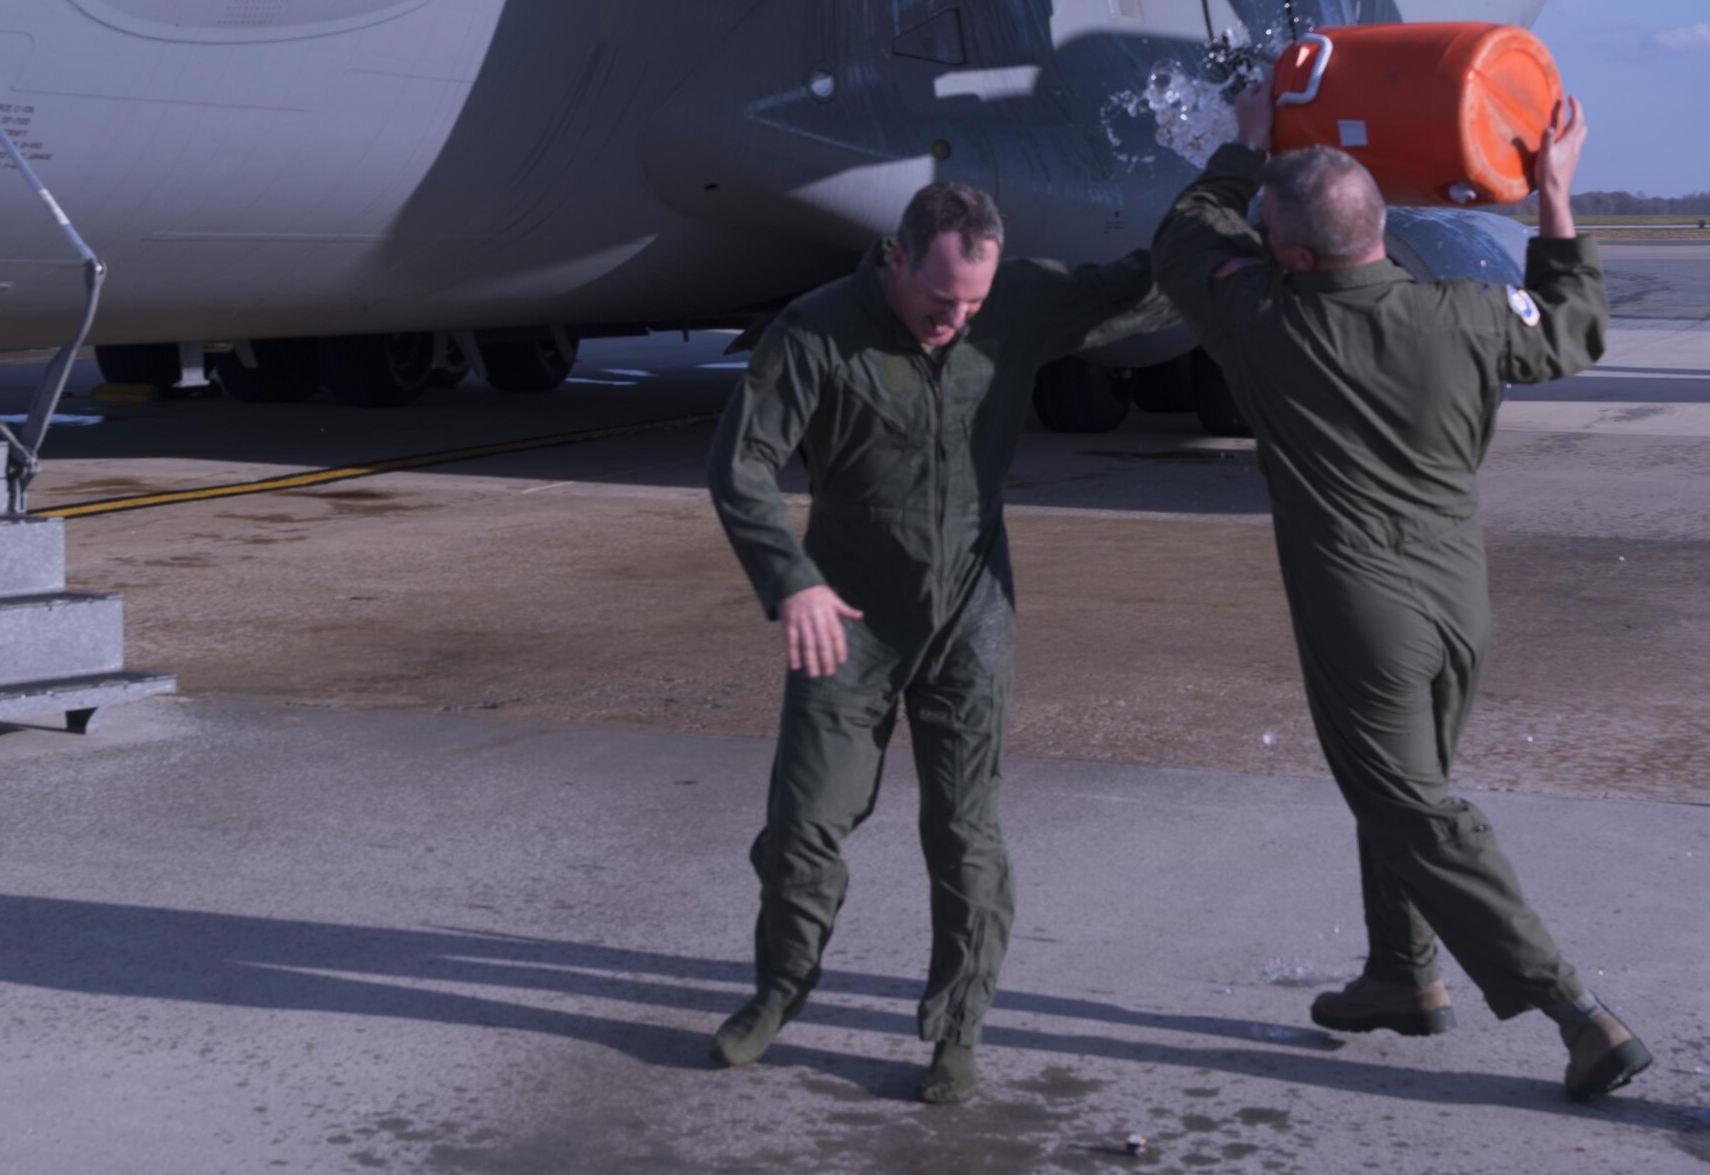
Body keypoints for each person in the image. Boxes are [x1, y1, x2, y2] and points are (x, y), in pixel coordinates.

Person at [1150, 80, 1653, 1101]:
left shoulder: (1263, 320)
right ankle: (1399, 973)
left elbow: (1182, 237)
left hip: (1359, 603)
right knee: (1400, 791)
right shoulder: (1465, 313)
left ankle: (1574, 1011)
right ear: (1380, 226)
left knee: (1410, 803)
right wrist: (1551, 197)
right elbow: (1570, 330)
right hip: (1457, 598)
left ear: (1288, 253)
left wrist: (1246, 148)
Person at [705, 181, 1173, 1104]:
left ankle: (956, 1028)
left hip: (970, 611)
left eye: (973, 306)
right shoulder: (814, 332)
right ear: (895, 259)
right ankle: (779, 990)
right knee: (804, 829)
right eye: (938, 301)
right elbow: (742, 463)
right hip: (849, 615)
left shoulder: (1016, 303)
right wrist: (790, 578)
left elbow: (1145, 286)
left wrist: (1239, 183)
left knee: (965, 834)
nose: (955, 321)